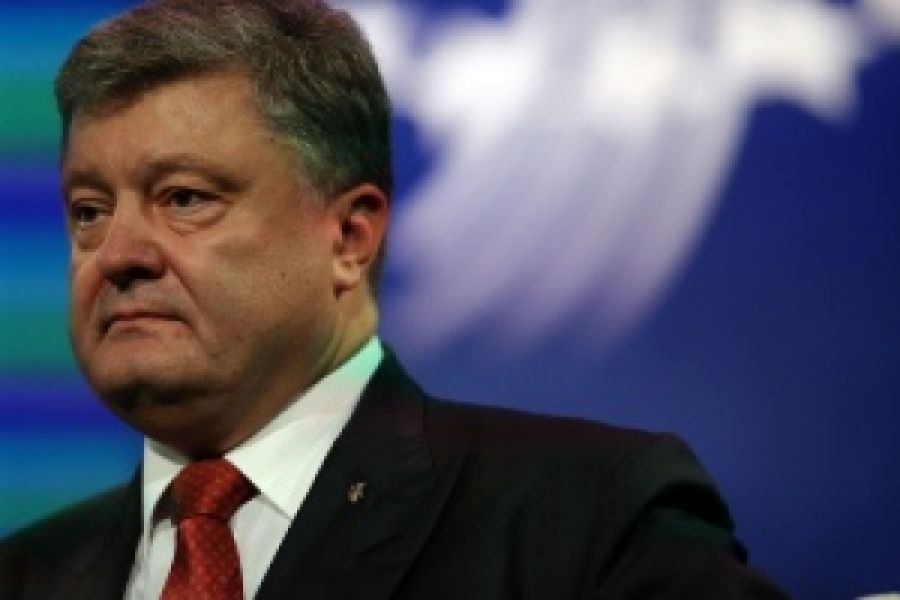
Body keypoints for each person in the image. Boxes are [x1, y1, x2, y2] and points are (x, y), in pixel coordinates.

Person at [0, 0, 787, 598]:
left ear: (349, 237)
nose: (118, 255)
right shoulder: (22, 573)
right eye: (89, 211)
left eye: (184, 198)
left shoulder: (589, 520)